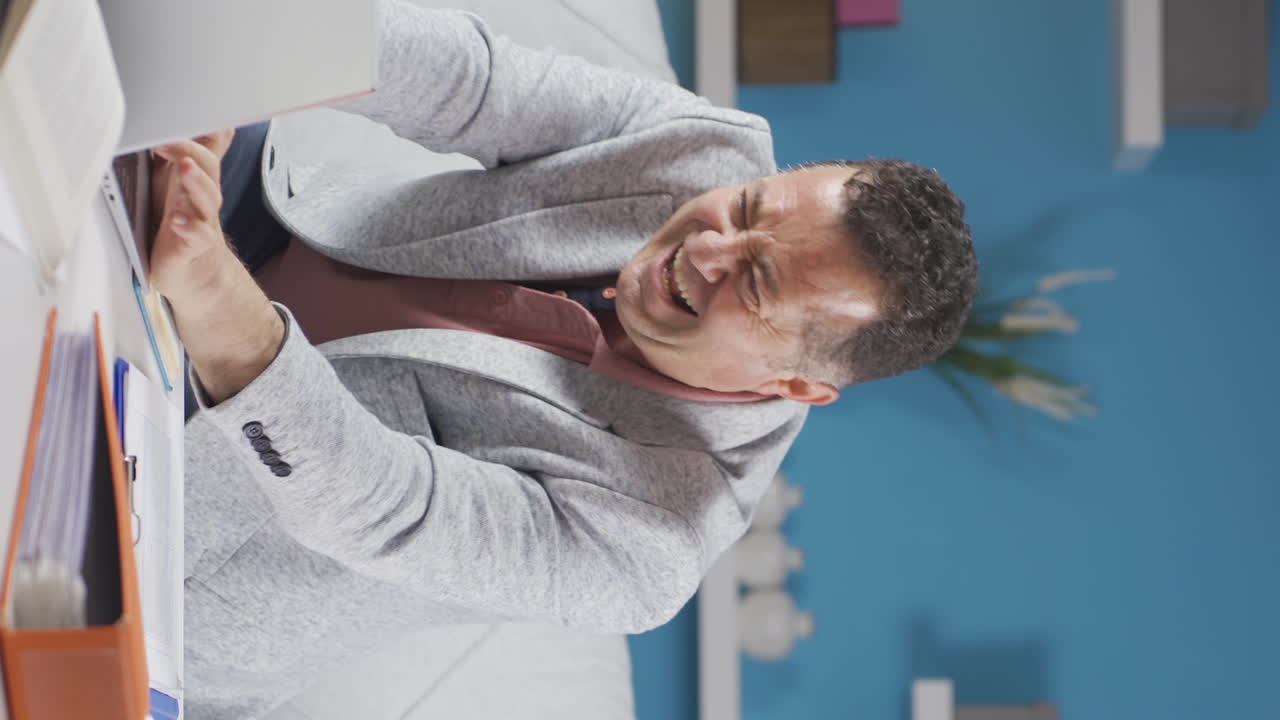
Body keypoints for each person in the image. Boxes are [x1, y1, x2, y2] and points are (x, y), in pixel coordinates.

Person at [157, 2, 976, 716]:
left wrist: (217, 307)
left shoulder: (651, 543)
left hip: (203, 515)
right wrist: (264, 33)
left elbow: (385, 505)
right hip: (252, 226)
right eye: (749, 208)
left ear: (796, 384)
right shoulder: (704, 148)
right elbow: (467, 82)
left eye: (755, 283)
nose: (711, 247)